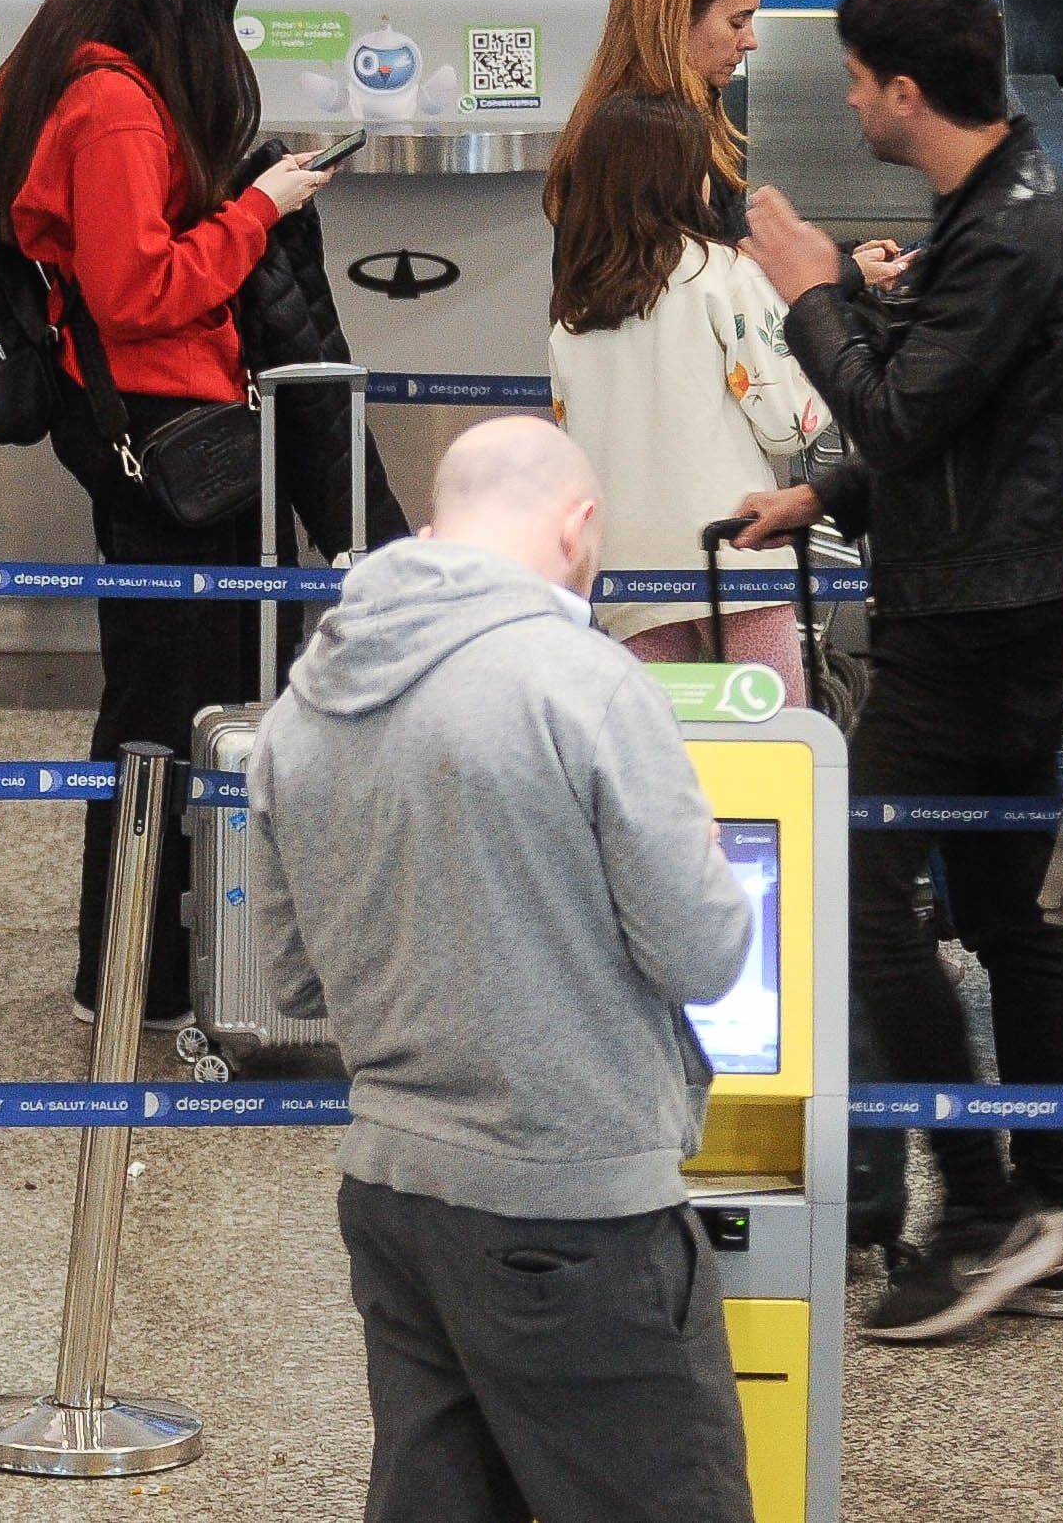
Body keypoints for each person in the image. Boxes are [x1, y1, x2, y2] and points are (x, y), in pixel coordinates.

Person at [246, 416, 761, 1523]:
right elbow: (705, 952)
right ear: (576, 528)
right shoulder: (582, 683)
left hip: (390, 1193)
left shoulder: (300, 707)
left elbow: (287, 985)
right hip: (572, 1202)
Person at [731, 0, 1063, 1337]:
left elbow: (899, 413)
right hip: (993, 611)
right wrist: (819, 497)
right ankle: (1054, 1226)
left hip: (965, 634)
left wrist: (809, 293)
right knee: (1011, 918)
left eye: (851, 78)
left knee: (855, 890)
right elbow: (951, 415)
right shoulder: (998, 208)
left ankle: (988, 1205)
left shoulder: (1011, 230)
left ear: (902, 90)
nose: (841, 98)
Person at [0, 0, 334, 1024]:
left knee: (154, 699)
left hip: (125, 428)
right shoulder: (117, 103)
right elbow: (141, 289)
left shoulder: (52, 72)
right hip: (173, 435)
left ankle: (145, 965)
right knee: (173, 708)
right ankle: (138, 972)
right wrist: (259, 206)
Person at [546, 91, 830, 699]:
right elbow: (790, 423)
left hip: (624, 572)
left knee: (655, 762)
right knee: (770, 753)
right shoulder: (722, 273)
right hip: (736, 552)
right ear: (680, 176)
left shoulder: (572, 309)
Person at [546, 0, 772, 244]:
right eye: (737, 23)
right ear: (677, 20)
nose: (750, 41)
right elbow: (694, 282)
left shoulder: (622, 129)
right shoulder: (648, 142)